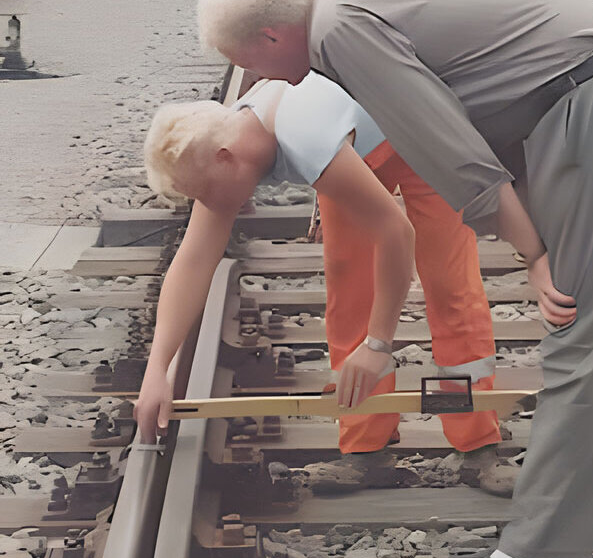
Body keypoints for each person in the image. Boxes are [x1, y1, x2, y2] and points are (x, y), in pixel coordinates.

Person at [196, 0, 592, 558]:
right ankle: (546, 537)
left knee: (574, 337)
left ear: (271, 37)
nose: (256, 79)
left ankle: (533, 555)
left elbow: (451, 150)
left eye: (250, 63)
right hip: (570, 96)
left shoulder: (340, 32)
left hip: (580, 101)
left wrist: (532, 252)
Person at [135, 71, 505, 491]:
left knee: (449, 288)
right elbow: (194, 260)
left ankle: (476, 446)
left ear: (225, 157)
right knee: (350, 297)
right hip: (351, 154)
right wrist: (157, 370)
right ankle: (368, 451)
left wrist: (379, 345)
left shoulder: (302, 137)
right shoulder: (230, 139)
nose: (206, 205)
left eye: (203, 193)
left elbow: (397, 232)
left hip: (424, 139)